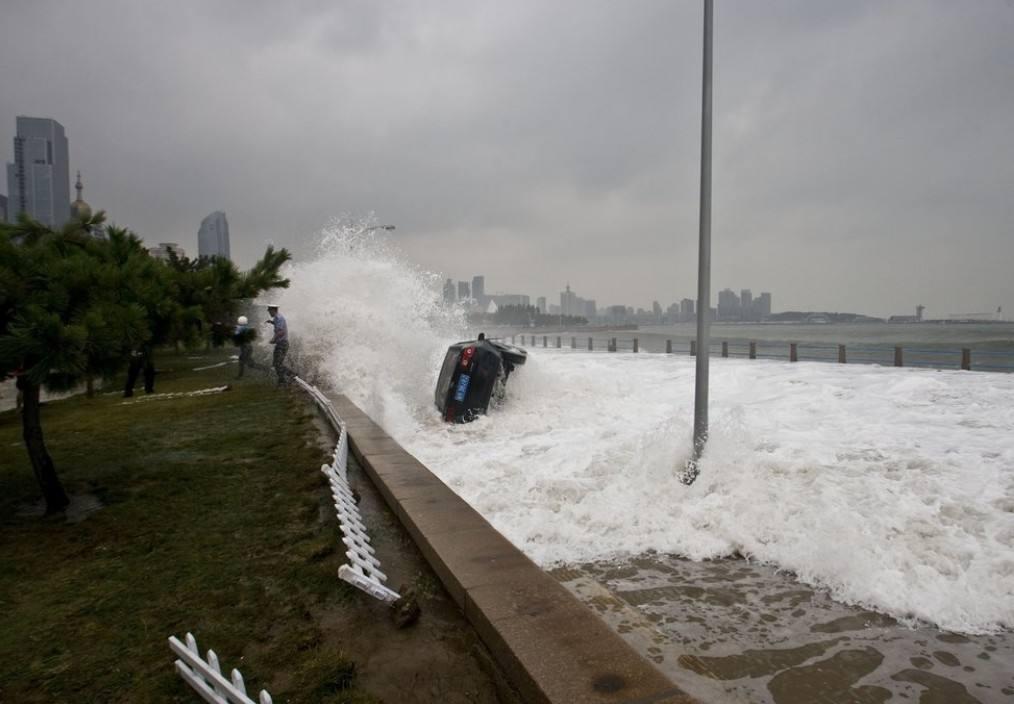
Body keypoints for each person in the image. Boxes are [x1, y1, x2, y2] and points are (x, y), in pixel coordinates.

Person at [266, 304, 293, 385]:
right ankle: (282, 380)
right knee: (276, 363)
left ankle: (292, 375)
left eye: (269, 311)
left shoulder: (279, 318)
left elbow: (281, 331)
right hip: (281, 343)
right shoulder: (277, 318)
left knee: (278, 363)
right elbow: (278, 325)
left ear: (273, 310)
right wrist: (272, 322)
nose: (269, 312)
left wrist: (273, 338)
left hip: (282, 344)